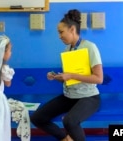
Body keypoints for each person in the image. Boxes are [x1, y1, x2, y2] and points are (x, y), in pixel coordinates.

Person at [30, 9, 103, 141]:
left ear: (72, 29)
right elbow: (71, 78)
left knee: (69, 121)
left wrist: (70, 75)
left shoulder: (90, 47)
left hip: (89, 98)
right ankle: (66, 139)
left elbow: (99, 78)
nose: (59, 36)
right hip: (70, 96)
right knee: (37, 117)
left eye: (61, 32)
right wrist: (58, 77)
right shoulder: (67, 49)